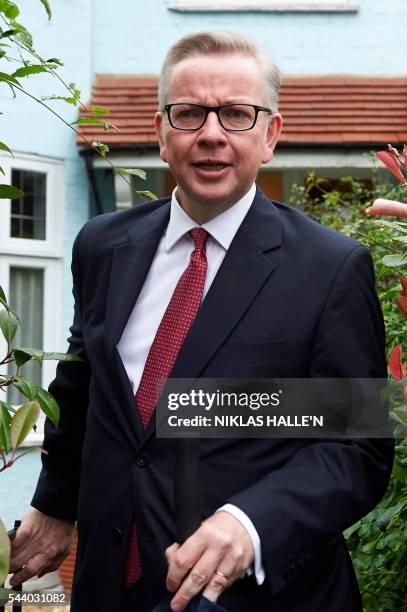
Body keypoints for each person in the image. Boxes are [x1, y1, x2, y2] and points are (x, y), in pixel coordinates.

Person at [9, 31, 393, 612]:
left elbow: (355, 446)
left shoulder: (330, 268)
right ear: (162, 134)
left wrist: (250, 523)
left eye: (237, 114)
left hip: (253, 599)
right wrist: (56, 503)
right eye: (189, 114)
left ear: (270, 135)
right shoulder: (103, 246)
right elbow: (85, 384)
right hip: (109, 586)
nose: (211, 134)